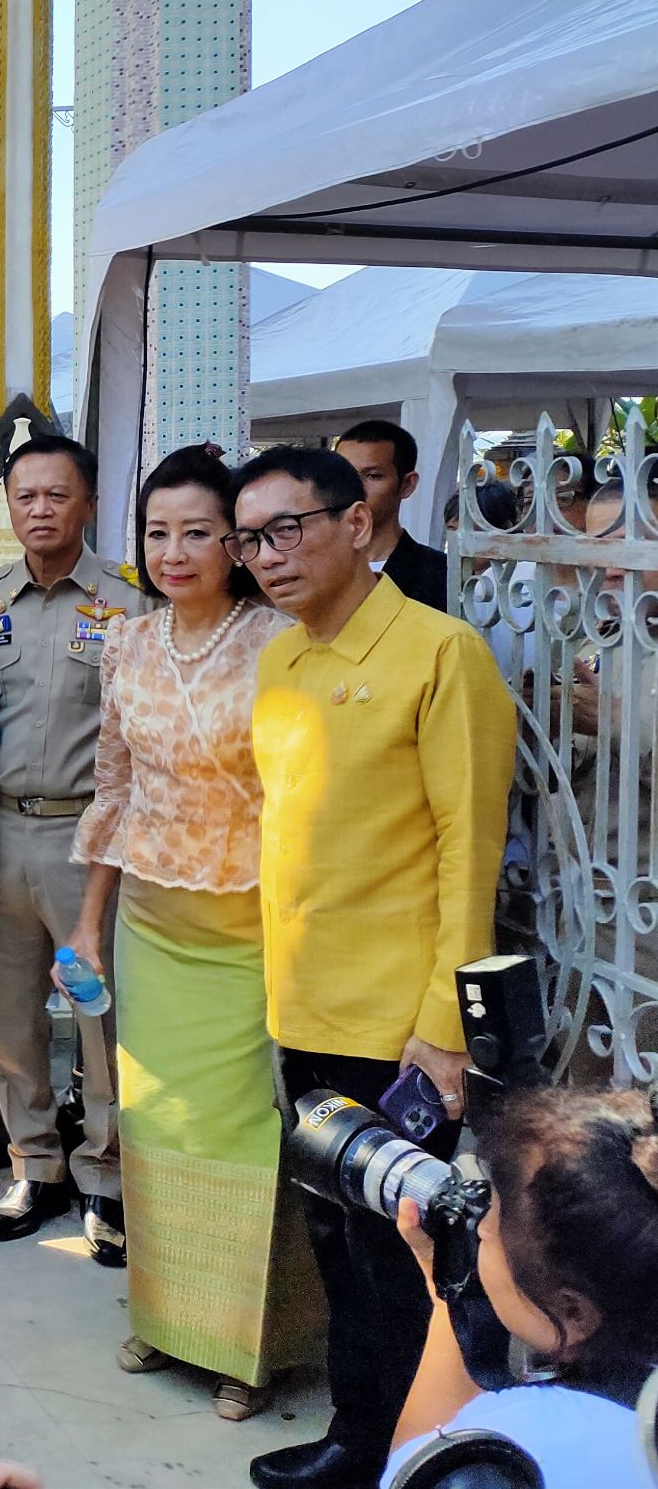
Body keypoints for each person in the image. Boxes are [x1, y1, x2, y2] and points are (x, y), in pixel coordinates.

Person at [234, 445, 516, 1489]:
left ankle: (413, 1454)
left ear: (357, 523)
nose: (266, 556)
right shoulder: (282, 659)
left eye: (286, 528)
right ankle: (361, 1435)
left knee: (406, 1257)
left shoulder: (441, 654)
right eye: (249, 538)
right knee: (336, 1240)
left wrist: (443, 1027)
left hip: (400, 1028)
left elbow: (468, 849)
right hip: (304, 1003)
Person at [66, 446, 309, 1420]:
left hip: (254, 928)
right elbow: (114, 793)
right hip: (152, 928)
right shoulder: (125, 643)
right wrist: (89, 924)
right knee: (157, 1128)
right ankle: (168, 1320)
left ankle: (245, 1347)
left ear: (237, 544)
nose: (175, 551)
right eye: (158, 532)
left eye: (198, 532)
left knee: (243, 1135)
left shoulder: (281, 643)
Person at [0, 434, 142, 1265]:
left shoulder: (129, 605)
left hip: (89, 837)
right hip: (1, 832)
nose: (40, 510)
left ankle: (105, 1176)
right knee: (12, 1011)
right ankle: (34, 1163)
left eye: (56, 496)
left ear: (89, 502)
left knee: (101, 1013)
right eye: (25, 496)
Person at [383, 1086, 658, 1489]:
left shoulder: (514, 1436)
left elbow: (408, 1472)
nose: (477, 1231)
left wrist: (449, 1301)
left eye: (488, 1231)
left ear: (574, 1311)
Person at [335, 420, 449, 612]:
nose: (354, 488)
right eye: (342, 476)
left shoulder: (442, 575)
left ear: (407, 485)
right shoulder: (318, 566)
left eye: (373, 476)